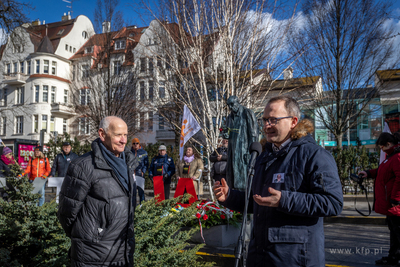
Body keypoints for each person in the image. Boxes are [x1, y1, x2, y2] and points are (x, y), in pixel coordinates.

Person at [214, 96, 343, 266]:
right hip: (260, 255)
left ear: (293, 121)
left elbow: (332, 202)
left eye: (273, 120)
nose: (266, 125)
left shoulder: (314, 155)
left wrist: (284, 200)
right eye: (265, 120)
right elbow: (259, 200)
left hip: (294, 258)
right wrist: (230, 196)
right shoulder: (263, 156)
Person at [57, 116, 138, 267]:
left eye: (126, 135)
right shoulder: (83, 166)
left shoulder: (129, 164)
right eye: (118, 135)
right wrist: (93, 236)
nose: (124, 140)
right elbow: (66, 213)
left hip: (123, 253)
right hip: (92, 256)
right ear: (102, 134)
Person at [359, 132, 400, 266]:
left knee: (397, 233)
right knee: (394, 233)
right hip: (392, 204)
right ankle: (393, 257)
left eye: (382, 147)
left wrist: (396, 198)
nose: (381, 149)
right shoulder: (391, 156)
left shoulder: (397, 157)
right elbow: (383, 171)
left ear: (388, 144)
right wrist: (369, 173)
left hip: (395, 204)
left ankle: (395, 258)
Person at [224, 95, 258, 190]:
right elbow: (228, 133)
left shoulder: (247, 113)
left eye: (232, 104)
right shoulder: (229, 117)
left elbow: (254, 135)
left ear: (237, 102)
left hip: (244, 153)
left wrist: (253, 153)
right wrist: (226, 135)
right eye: (228, 105)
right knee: (232, 182)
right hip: (232, 153)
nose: (230, 107)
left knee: (244, 183)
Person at [131, 138, 148, 204]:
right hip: (132, 174)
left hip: (140, 174)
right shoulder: (129, 153)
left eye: (137, 143)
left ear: (139, 144)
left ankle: (142, 207)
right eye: (134, 143)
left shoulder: (144, 152)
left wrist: (143, 171)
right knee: (133, 193)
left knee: (141, 192)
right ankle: (133, 208)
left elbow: (146, 164)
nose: (135, 145)